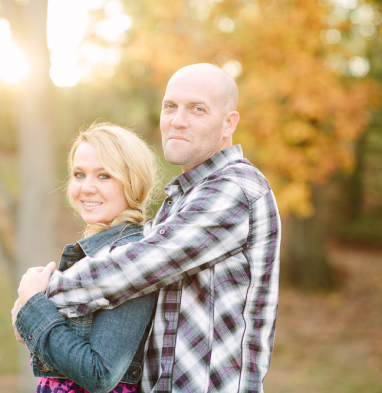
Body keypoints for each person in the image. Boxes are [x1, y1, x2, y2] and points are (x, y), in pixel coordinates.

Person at [15, 63, 281, 393]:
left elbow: (136, 267)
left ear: (229, 123)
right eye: (170, 106)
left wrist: (36, 301)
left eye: (197, 109)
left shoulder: (235, 189)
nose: (178, 119)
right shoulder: (181, 201)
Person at [13, 123, 160, 393]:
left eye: (104, 176)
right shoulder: (93, 257)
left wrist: (33, 304)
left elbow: (99, 374)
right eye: (79, 175)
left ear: (133, 181)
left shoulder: (129, 257)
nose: (86, 188)